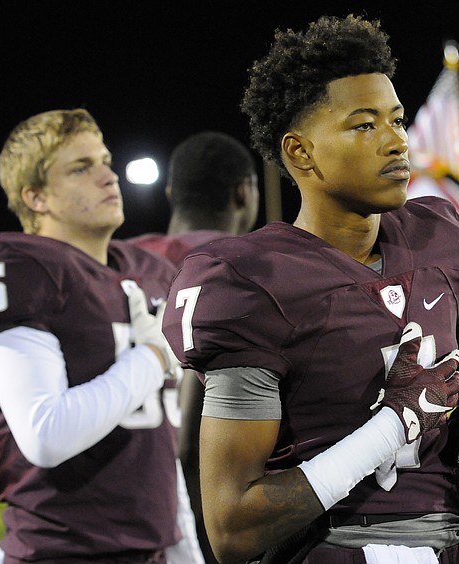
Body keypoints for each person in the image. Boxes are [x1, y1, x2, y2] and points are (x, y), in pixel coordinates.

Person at [159, 14, 459, 564]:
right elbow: (233, 528)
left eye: (397, 120)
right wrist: (390, 428)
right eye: (365, 125)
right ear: (301, 152)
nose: (396, 141)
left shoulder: (439, 240)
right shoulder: (253, 283)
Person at [0, 109, 195, 563]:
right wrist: (153, 358)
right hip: (60, 551)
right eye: (81, 168)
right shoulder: (20, 266)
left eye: (105, 162)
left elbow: (160, 443)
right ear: (36, 196)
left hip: (151, 550)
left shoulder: (149, 272)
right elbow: (46, 433)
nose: (108, 177)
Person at [129, 130, 260, 564]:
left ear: (171, 194)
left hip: (115, 492)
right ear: (243, 192)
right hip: (201, 502)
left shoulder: (117, 260)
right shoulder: (245, 265)